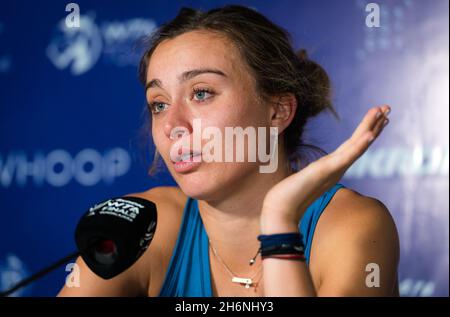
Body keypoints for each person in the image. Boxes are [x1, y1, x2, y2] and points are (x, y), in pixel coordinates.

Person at [58, 5, 399, 297]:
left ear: (277, 111)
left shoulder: (351, 225)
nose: (172, 125)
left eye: (202, 93)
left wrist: (279, 219)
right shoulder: (143, 227)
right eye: (159, 104)